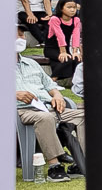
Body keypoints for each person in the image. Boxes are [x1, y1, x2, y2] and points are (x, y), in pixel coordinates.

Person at [17, 31, 77, 180]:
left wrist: (57, 95)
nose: (20, 39)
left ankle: (79, 164)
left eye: (21, 36)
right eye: (14, 36)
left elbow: (50, 85)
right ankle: (54, 166)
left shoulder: (31, 63)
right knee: (45, 118)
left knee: (82, 116)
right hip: (20, 109)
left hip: (46, 106)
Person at [43, 0, 83, 86]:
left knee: (77, 59)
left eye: (74, 7)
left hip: (66, 49)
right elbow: (59, 35)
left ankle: (78, 84)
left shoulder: (76, 20)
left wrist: (75, 52)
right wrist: (63, 52)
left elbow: (76, 36)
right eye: (69, 7)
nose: (72, 10)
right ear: (61, 8)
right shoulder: (54, 19)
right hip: (52, 49)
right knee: (66, 59)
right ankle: (51, 81)